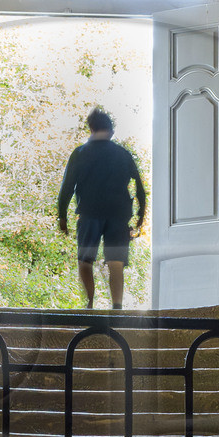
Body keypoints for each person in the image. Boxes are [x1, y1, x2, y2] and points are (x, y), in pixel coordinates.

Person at [57, 107, 147, 309]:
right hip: (118, 215)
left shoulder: (80, 153)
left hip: (90, 214)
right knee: (116, 263)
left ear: (91, 128)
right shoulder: (123, 154)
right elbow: (139, 187)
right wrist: (141, 214)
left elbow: (67, 187)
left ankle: (89, 304)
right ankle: (117, 307)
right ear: (111, 130)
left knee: (85, 261)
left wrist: (62, 216)